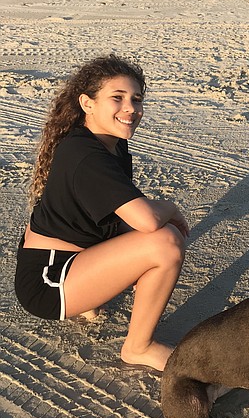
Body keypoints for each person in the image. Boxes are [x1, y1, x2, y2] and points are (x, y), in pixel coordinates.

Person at [14, 54, 189, 372]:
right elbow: (147, 219)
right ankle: (138, 347)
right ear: (87, 103)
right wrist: (172, 208)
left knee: (148, 233)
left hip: (65, 257)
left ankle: (90, 299)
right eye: (118, 98)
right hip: (49, 282)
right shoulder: (86, 155)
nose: (131, 109)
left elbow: (114, 213)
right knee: (166, 242)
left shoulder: (108, 143)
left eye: (136, 99)